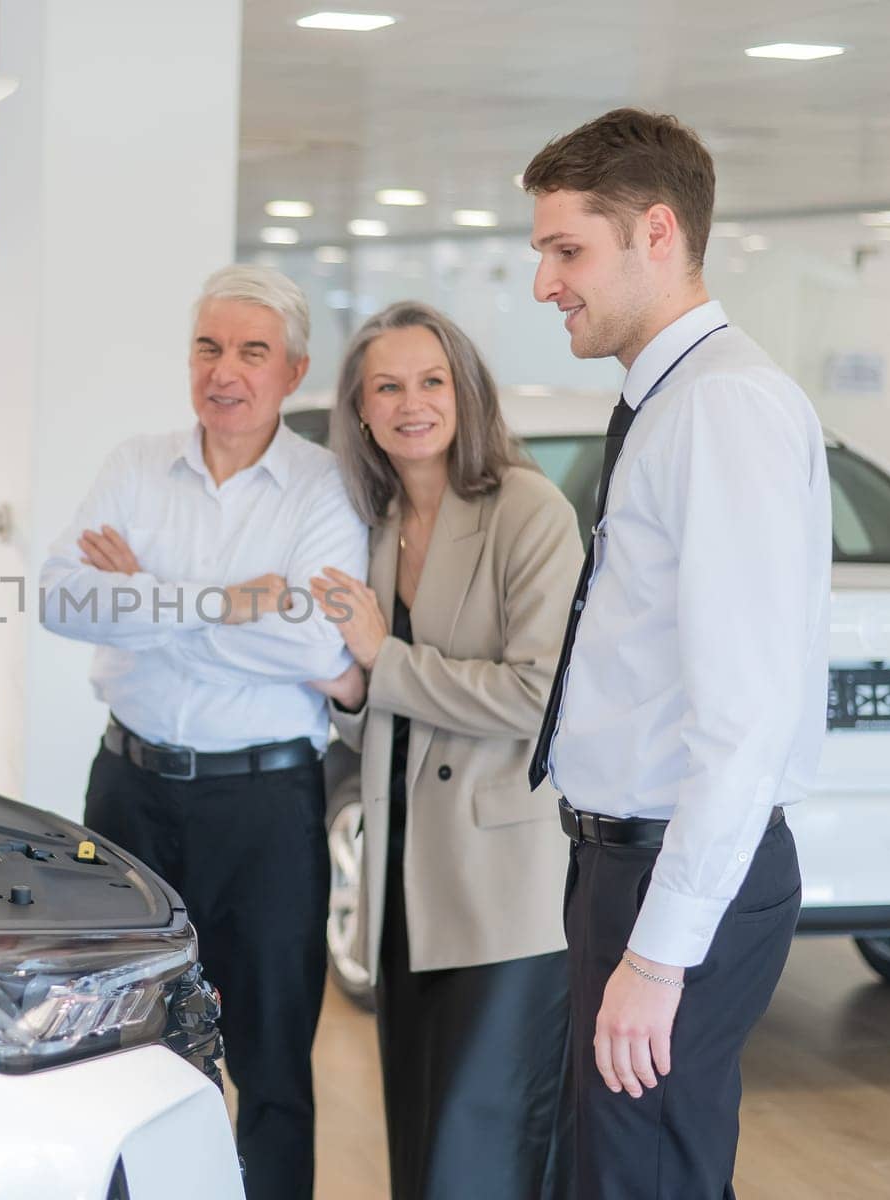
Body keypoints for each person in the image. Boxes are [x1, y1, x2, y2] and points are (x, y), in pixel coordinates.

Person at [523, 108, 831, 1197]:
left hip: (674, 870)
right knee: (622, 1173)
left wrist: (657, 956)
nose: (544, 283)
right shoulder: (666, 402)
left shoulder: (721, 409)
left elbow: (744, 718)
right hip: (626, 863)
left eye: (567, 251)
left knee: (642, 1180)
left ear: (656, 232)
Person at [39, 264, 367, 1200]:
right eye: (209, 346)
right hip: (128, 796)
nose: (225, 370)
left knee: (269, 1068)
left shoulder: (322, 488)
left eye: (252, 352)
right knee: (123, 1049)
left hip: (264, 807)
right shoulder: (137, 464)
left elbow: (314, 635)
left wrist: (142, 592)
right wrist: (229, 599)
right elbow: (62, 598)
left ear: (293, 371)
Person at [309, 302, 581, 1199]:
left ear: (465, 393)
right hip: (403, 884)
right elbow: (387, 706)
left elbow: (539, 697)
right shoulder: (378, 522)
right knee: (420, 1152)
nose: (411, 402)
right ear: (359, 409)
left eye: (431, 381)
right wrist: (353, 695)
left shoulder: (527, 510)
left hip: (502, 890)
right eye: (387, 385)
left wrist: (381, 664)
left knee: (482, 1156)